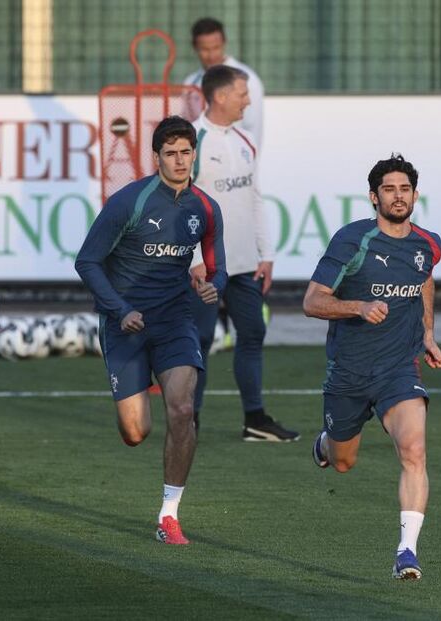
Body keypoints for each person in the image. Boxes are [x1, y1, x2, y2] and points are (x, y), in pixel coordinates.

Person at [75, 116, 227, 545]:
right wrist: (119, 309)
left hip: (176, 318)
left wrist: (212, 286)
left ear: (194, 154)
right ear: (156, 157)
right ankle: (130, 399)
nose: (180, 161)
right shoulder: (130, 202)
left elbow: (219, 269)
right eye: (171, 154)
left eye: (186, 152)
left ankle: (169, 514)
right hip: (125, 323)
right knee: (135, 432)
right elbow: (86, 262)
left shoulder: (205, 208)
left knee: (182, 410)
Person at [303, 154, 441, 580]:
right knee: (343, 461)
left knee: (414, 451)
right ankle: (326, 442)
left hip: (399, 369)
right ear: (373, 196)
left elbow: (424, 279)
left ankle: (407, 551)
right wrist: (358, 307)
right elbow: (311, 302)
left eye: (405, 189)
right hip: (348, 371)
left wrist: (427, 333)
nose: (398, 196)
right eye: (389, 189)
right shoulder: (352, 241)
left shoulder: (427, 243)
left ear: (415, 195)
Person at [189, 64, 298, 442]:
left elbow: (254, 198)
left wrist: (265, 254)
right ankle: (189, 420)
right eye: (242, 93)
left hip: (244, 265)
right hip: (204, 268)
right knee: (199, 340)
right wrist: (192, 262)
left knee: (252, 333)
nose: (248, 100)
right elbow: (179, 207)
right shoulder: (194, 142)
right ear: (220, 96)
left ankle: (255, 420)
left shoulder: (245, 140)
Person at [183, 17, 265, 148]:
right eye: (204, 49)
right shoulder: (190, 83)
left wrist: (248, 164)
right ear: (195, 47)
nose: (211, 55)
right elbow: (187, 127)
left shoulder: (247, 79)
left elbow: (253, 128)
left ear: (224, 43)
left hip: (235, 160)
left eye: (216, 48)